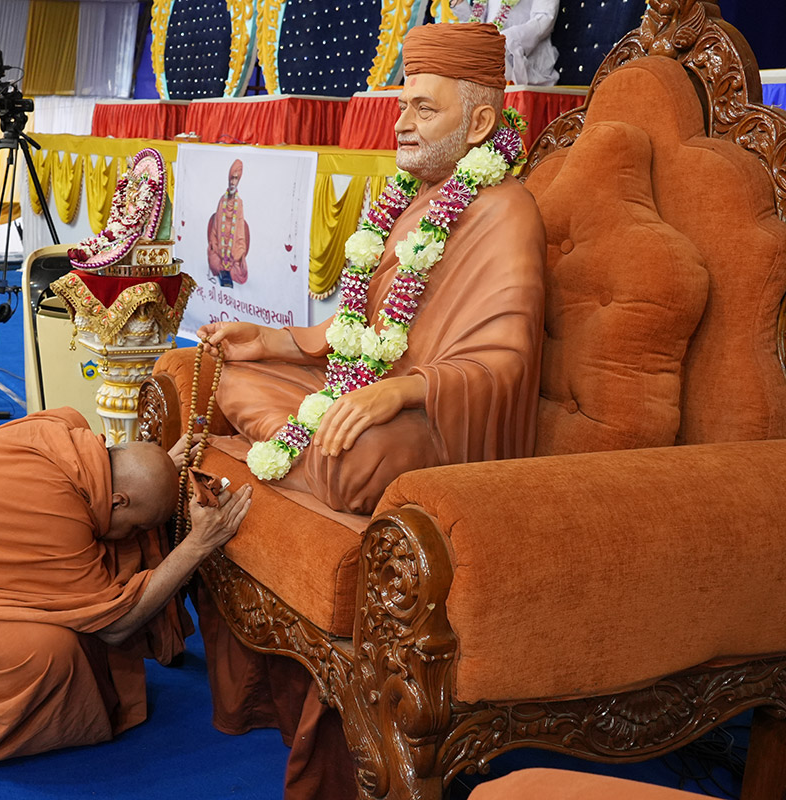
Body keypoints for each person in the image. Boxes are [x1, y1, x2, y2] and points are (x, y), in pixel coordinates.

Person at [193, 22, 546, 799]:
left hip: (435, 417)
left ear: (480, 124)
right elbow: (361, 331)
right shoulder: (411, 203)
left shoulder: (505, 210)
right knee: (228, 375)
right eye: (402, 104)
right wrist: (275, 341)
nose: (401, 123)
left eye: (423, 107)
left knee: (355, 453)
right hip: (370, 395)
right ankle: (308, 444)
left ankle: (311, 449)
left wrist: (399, 390)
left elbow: (504, 364)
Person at [0, 407, 252, 767]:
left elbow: (127, 481)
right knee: (49, 652)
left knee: (122, 551)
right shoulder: (58, 517)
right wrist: (198, 545)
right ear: (117, 501)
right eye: (136, 522)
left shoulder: (65, 428)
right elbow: (114, 626)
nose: (139, 533)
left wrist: (159, 466)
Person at [450, 0, 560, 85]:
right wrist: (460, 5)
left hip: (527, 65)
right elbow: (480, 23)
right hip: (487, 61)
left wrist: (505, 40)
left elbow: (544, 20)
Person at [206, 159, 250, 287]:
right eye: (231, 178)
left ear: (238, 180)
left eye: (235, 179)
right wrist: (217, 248)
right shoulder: (222, 200)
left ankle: (228, 270)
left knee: (241, 274)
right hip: (220, 250)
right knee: (214, 262)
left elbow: (240, 233)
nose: (232, 182)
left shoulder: (239, 203)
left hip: (233, 251)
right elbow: (215, 229)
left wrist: (235, 255)